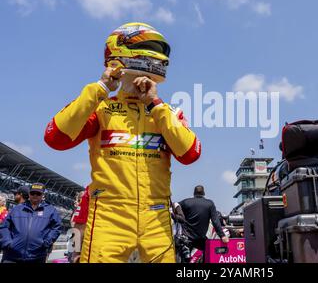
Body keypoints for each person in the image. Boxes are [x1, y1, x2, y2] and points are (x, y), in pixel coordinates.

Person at [44, 22, 201, 263]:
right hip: (109, 217)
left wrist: (155, 104)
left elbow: (190, 154)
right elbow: (55, 138)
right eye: (150, 49)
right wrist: (101, 88)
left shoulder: (167, 112)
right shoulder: (101, 108)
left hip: (157, 219)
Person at [0, 183, 62, 263]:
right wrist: (7, 242)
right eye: (32, 193)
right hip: (11, 256)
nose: (35, 195)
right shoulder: (17, 209)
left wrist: (46, 242)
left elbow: (57, 227)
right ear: (29, 194)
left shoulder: (50, 210)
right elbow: (4, 227)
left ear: (43, 195)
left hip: (36, 257)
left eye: (38, 193)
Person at [179, 185, 229, 253]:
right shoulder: (209, 203)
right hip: (200, 238)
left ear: (194, 193)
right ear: (203, 193)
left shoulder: (186, 202)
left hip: (187, 238)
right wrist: (222, 236)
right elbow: (215, 221)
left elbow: (174, 207)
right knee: (208, 254)